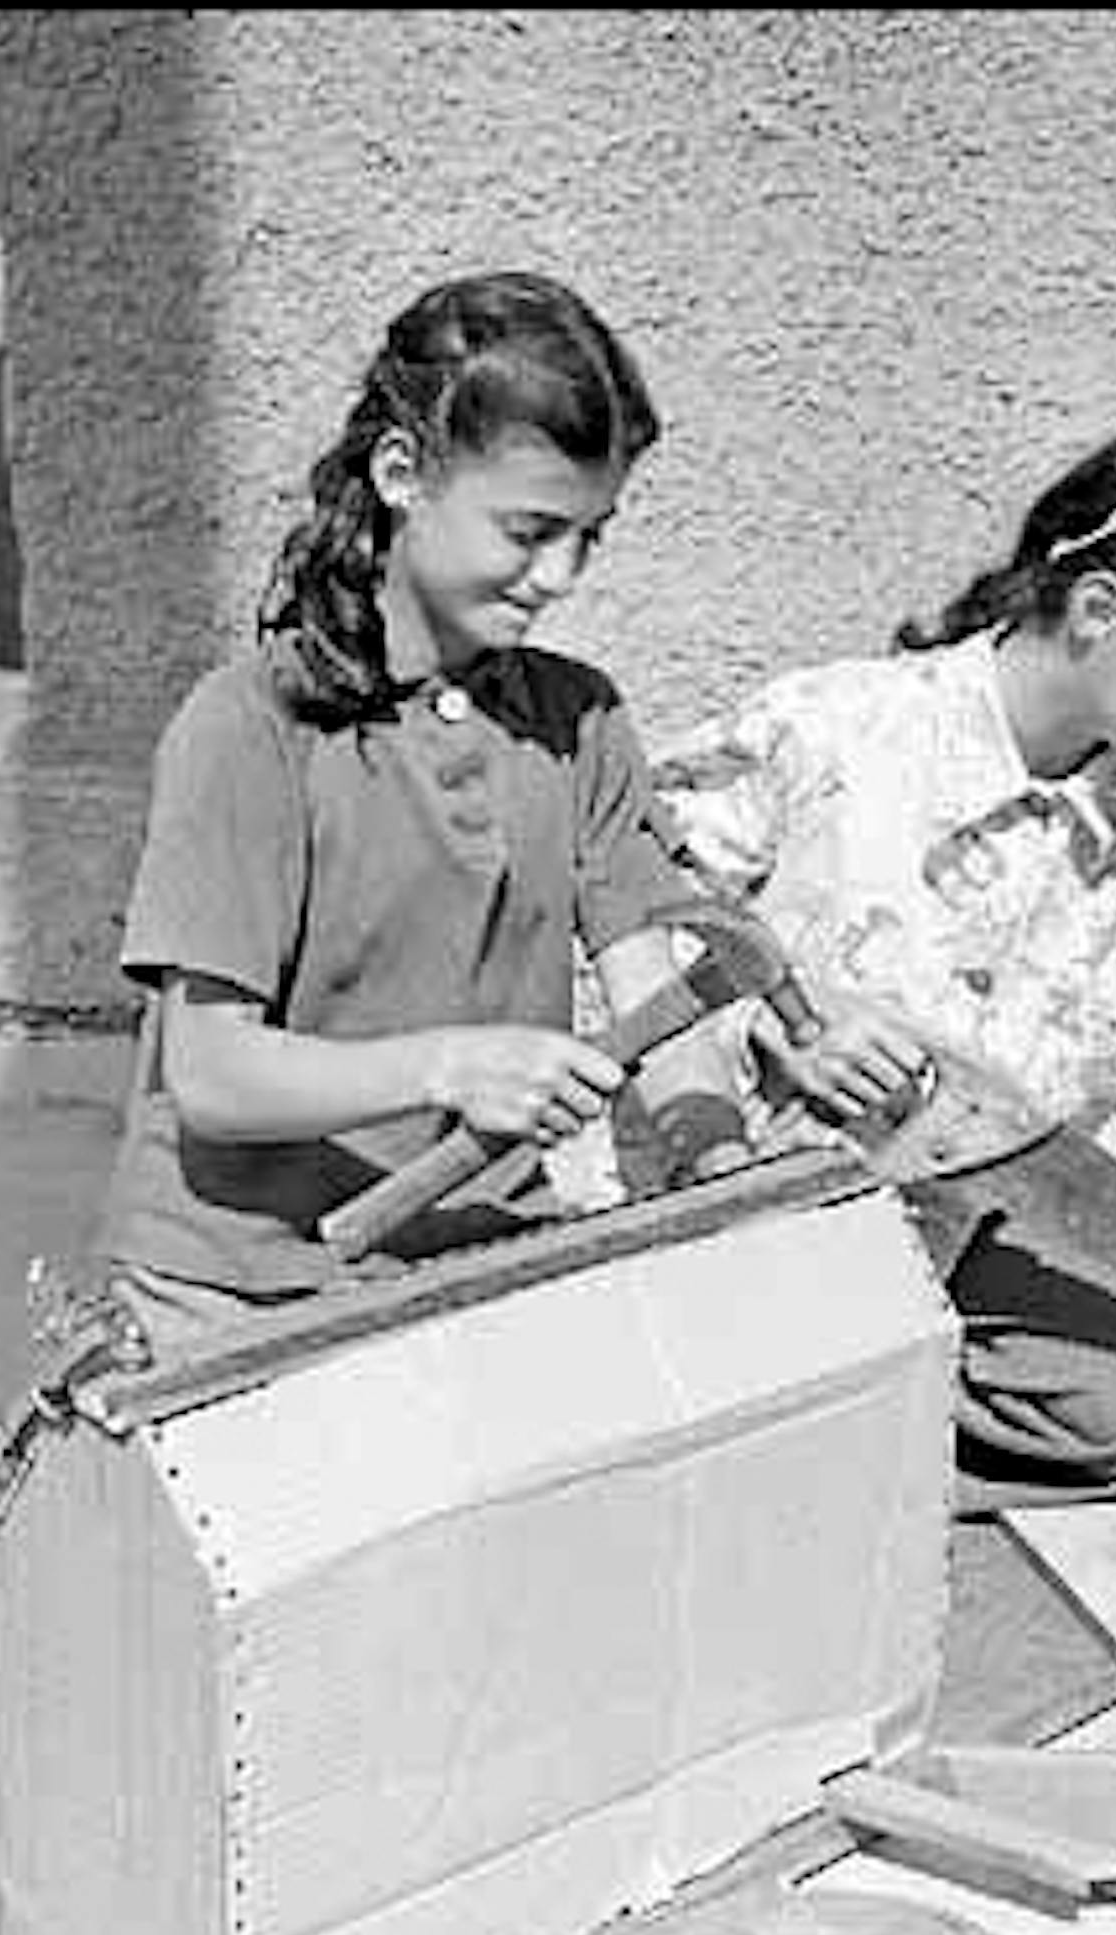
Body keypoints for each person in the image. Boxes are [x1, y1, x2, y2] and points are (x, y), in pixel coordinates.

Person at [644, 408, 1116, 1515]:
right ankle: (760, 1424)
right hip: (732, 1203)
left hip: (956, 1239)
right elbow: (633, 915)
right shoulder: (835, 728)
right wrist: (783, 1014)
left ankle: (816, 1433)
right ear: (1097, 610)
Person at [94, 269, 743, 1356]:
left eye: (594, 535)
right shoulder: (252, 727)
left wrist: (720, 1164)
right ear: (403, 473)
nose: (562, 576)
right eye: (530, 530)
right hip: (240, 1285)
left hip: (479, 1256)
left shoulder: (578, 720)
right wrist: (451, 1065)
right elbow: (209, 1075)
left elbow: (654, 993)